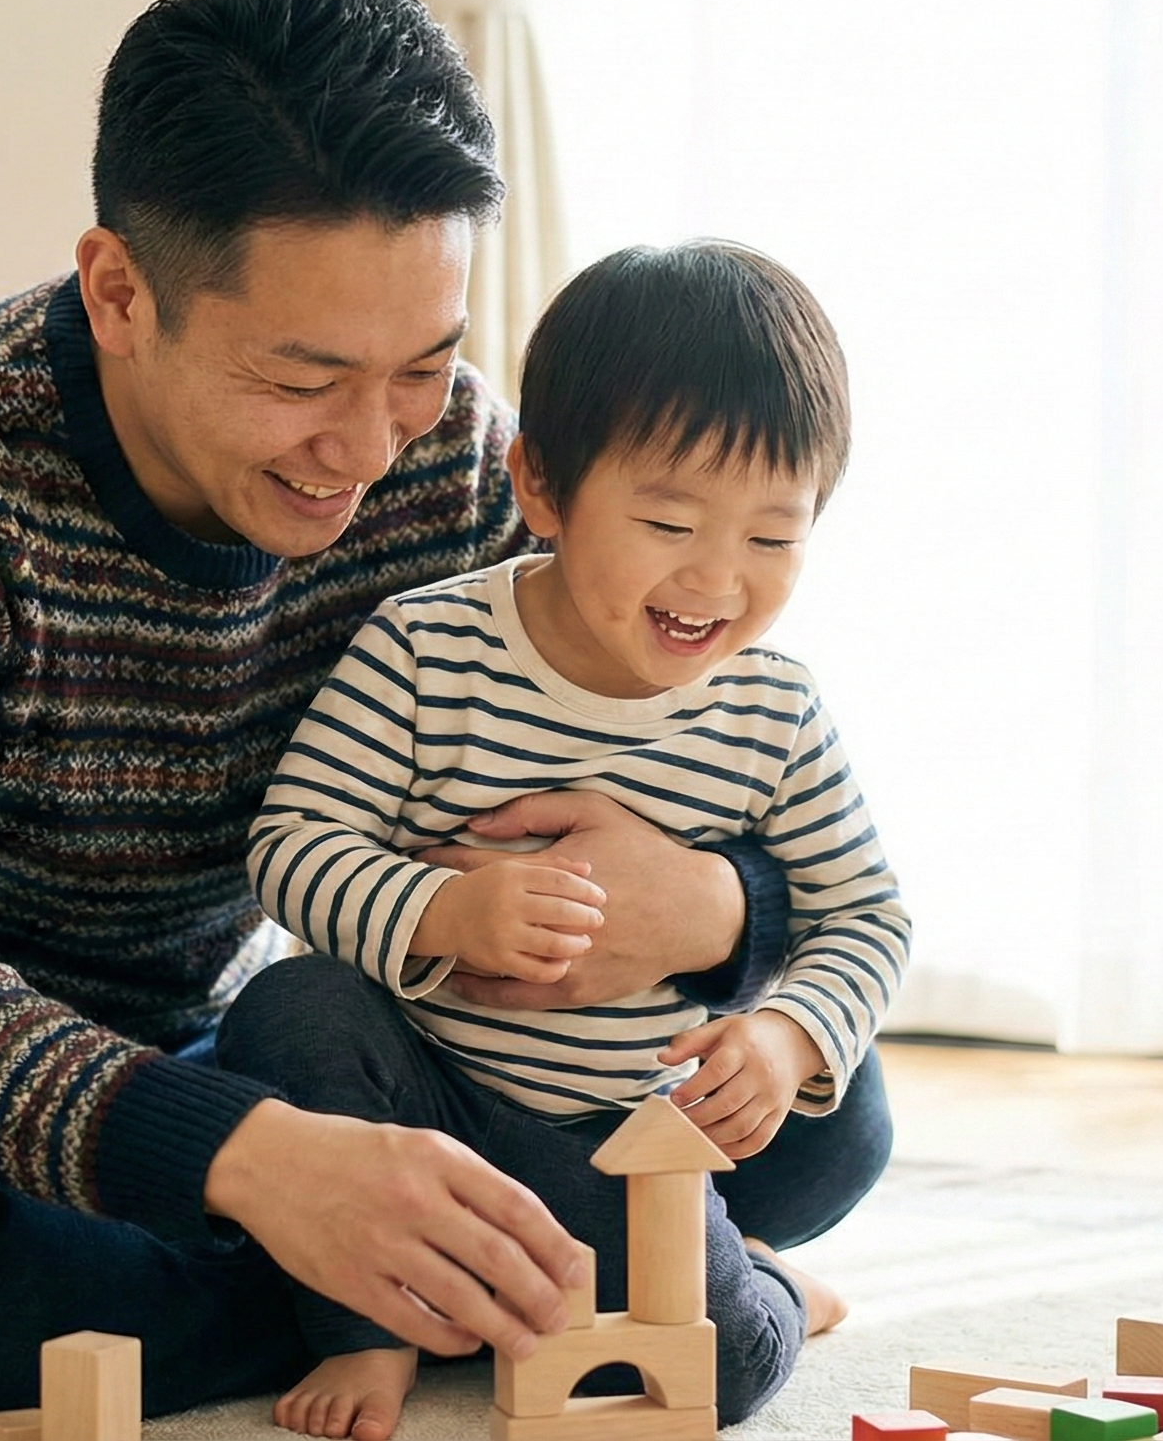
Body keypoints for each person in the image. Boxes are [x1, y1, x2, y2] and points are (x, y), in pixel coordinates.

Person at [0, 0, 891, 1438]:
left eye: (423, 363)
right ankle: (503, 1285)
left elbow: (674, 743)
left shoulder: (456, 460)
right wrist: (265, 1164)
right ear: (119, 293)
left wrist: (721, 909)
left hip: (236, 1038)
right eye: (301, 377)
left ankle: (414, 1277)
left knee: (826, 1118)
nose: (366, 448)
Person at [223, 240, 908, 1440]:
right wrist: (441, 914)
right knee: (292, 1012)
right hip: (437, 1102)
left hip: (644, 1141)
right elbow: (290, 846)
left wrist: (787, 1033)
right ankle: (365, 1325)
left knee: (710, 1370)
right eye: (666, 520)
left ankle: (770, 1294)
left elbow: (867, 916)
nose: (716, 579)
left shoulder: (774, 709)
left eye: (771, 538)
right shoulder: (426, 650)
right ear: (539, 487)